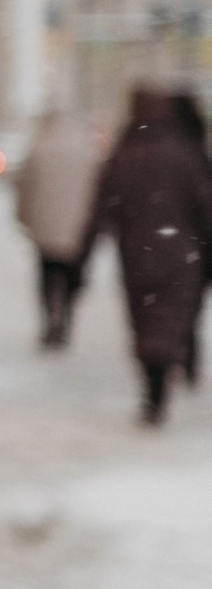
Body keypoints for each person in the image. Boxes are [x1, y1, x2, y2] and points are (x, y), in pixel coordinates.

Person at [80, 84, 212, 423]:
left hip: (137, 252)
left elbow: (102, 205)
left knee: (145, 316)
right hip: (182, 250)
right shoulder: (185, 150)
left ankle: (154, 386)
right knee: (175, 311)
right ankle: (170, 370)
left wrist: (84, 252)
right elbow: (204, 203)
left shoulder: (127, 151)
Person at [13, 102, 101, 349]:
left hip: (45, 227)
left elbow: (23, 187)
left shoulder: (39, 150)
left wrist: (24, 218)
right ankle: (65, 322)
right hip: (78, 228)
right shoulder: (88, 153)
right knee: (71, 277)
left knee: (47, 274)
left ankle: (49, 321)